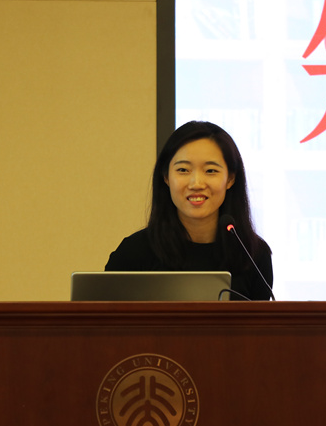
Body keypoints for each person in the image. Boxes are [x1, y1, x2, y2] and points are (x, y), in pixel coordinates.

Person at [105, 121, 273, 300]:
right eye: (183, 170)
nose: (196, 184)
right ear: (166, 176)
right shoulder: (133, 253)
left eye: (210, 171)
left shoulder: (253, 255)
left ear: (230, 179)